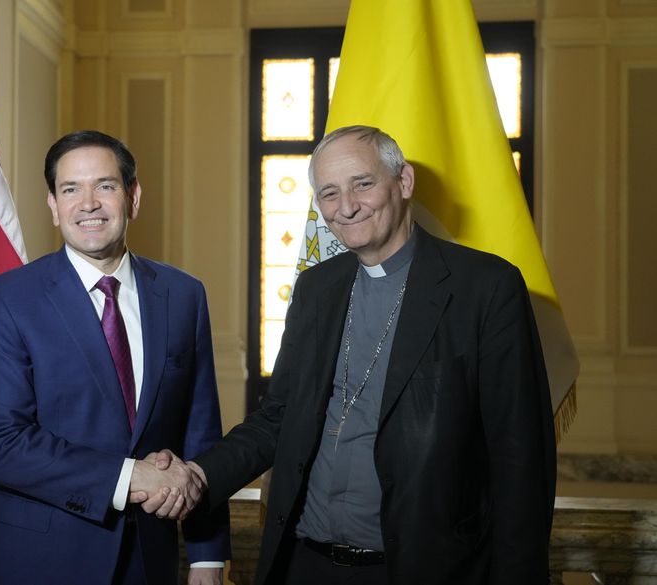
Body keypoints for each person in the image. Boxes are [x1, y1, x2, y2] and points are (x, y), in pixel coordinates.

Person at [148, 125, 556, 584]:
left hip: (415, 570)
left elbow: (520, 459)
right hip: (303, 563)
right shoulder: (316, 288)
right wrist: (197, 475)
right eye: (329, 193)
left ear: (403, 181)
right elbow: (278, 417)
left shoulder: (485, 288)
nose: (346, 207)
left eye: (362, 183)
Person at [0, 130, 230, 585]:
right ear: (53, 205)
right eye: (71, 189)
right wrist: (130, 478)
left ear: (133, 197)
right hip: (38, 562)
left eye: (105, 186)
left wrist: (207, 556)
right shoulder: (7, 301)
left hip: (149, 560)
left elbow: (199, 428)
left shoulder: (184, 295)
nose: (88, 204)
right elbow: (0, 443)